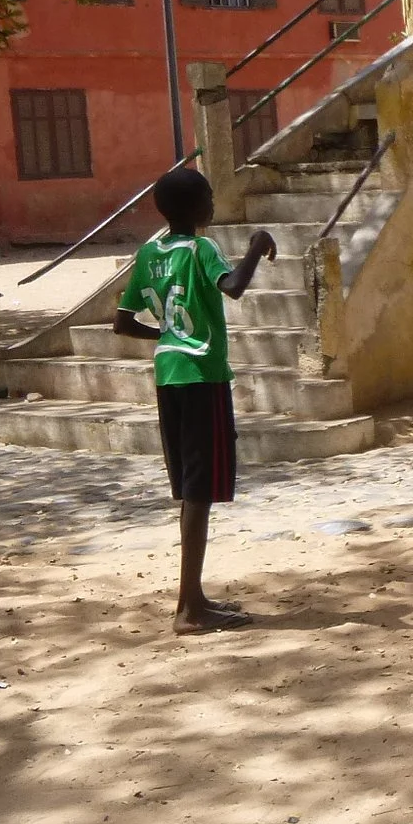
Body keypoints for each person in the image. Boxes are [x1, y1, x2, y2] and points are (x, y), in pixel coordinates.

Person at [114, 168, 277, 631]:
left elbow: (123, 323)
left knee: (189, 487)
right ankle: (190, 608)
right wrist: (257, 242)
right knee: (200, 491)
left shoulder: (149, 252)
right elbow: (234, 288)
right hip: (203, 375)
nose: (212, 201)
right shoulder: (202, 249)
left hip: (168, 374)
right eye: (208, 194)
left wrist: (167, 335)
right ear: (196, 207)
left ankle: (194, 596)